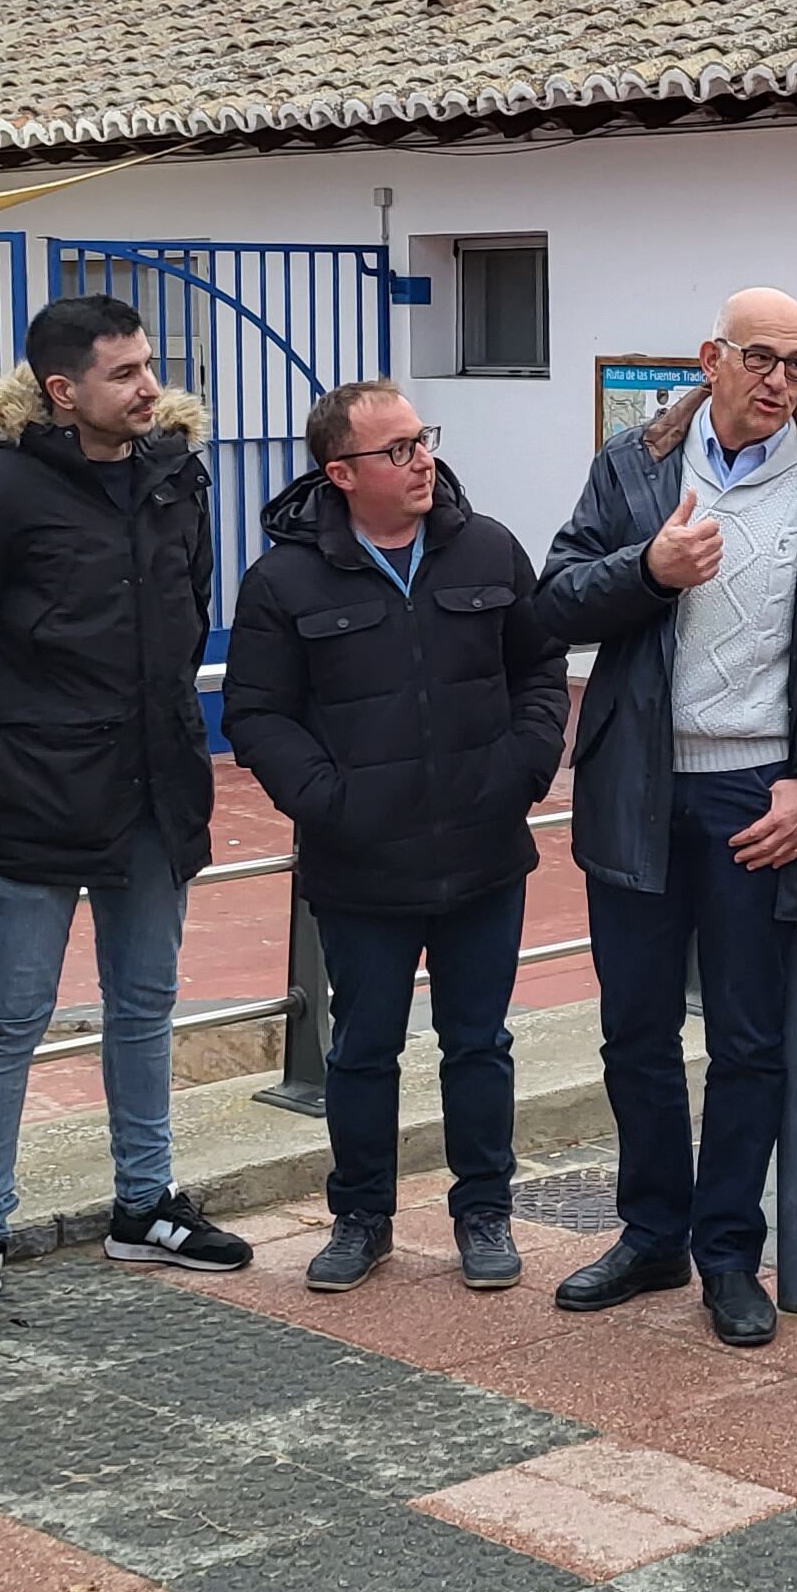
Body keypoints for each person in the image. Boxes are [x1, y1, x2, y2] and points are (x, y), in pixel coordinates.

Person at [532, 286, 797, 1348]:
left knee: (749, 1040)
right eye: (761, 358)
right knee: (635, 1030)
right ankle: (651, 1231)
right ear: (711, 358)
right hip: (639, 784)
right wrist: (645, 572)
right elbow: (555, 600)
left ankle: (728, 1254)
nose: (781, 381)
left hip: (761, 796)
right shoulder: (635, 467)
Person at [0, 294, 252, 1333]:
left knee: (146, 1005)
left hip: (151, 791)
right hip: (28, 801)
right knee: (9, 1020)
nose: (150, 387)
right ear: (62, 390)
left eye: (149, 364)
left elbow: (184, 624)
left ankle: (145, 1203)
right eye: (124, 372)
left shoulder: (176, 475)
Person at [224, 378, 569, 1294]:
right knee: (364, 1047)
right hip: (360, 865)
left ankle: (484, 1214)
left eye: (425, 440)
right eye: (400, 450)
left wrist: (523, 767)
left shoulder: (487, 548)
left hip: (484, 852)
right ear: (341, 473)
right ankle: (361, 1219)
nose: (425, 461)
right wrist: (329, 802)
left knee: (479, 1043)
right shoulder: (283, 579)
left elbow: (538, 668)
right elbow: (257, 715)